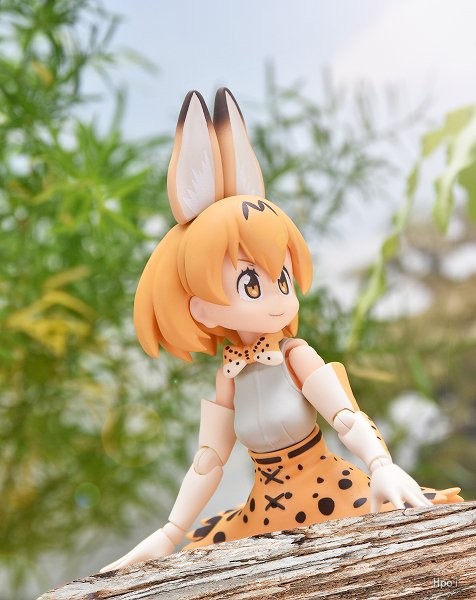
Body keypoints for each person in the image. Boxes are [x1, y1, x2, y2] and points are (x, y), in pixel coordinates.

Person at [101, 88, 462, 572]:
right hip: (264, 517)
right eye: (251, 284)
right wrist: (169, 533)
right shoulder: (229, 376)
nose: (278, 298)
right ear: (201, 309)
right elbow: (208, 461)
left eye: (283, 279)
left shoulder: (295, 356)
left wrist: (382, 465)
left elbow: (346, 417)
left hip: (333, 493)